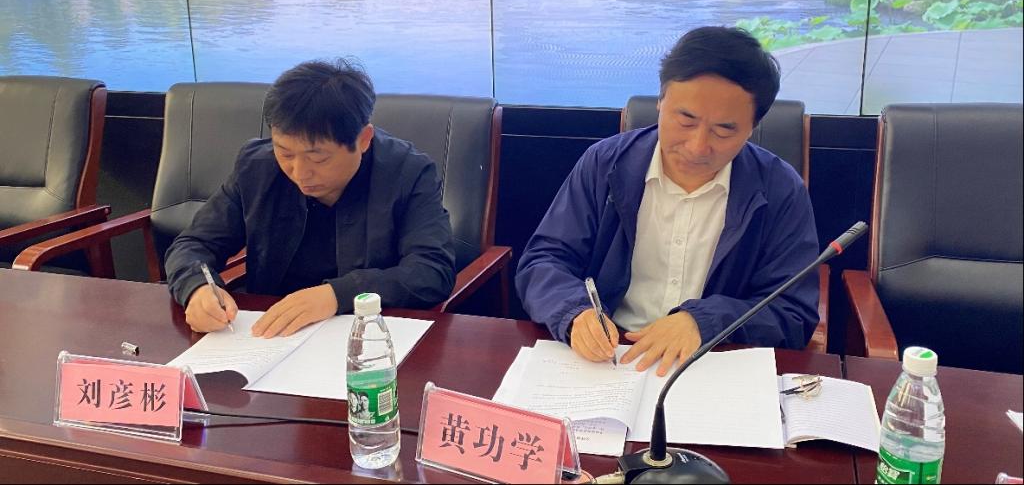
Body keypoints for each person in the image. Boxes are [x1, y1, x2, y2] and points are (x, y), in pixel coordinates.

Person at [516, 27, 820, 377]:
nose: (697, 146)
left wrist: (705, 322)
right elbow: (543, 261)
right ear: (660, 101)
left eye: (723, 130)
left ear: (753, 126)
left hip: (710, 362)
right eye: (685, 119)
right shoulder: (605, 165)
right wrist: (575, 312)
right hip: (609, 358)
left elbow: (793, 311)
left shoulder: (779, 189)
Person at [165, 60, 456, 337]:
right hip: (271, 335)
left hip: (368, 337)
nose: (299, 172)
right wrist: (197, 288)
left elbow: (431, 271)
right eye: (285, 153)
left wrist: (338, 294)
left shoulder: (408, 173)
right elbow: (193, 245)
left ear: (363, 139)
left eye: (318, 158)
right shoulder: (256, 167)